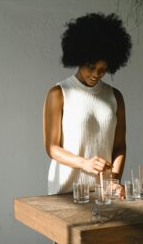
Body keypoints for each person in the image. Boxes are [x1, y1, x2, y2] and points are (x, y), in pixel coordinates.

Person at [43, 12, 131, 198]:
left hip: (103, 193)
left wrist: (113, 181)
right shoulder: (59, 93)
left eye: (103, 69)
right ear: (78, 58)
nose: (96, 74)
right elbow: (52, 148)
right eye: (91, 66)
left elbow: (119, 147)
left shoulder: (115, 97)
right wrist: (84, 163)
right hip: (65, 193)